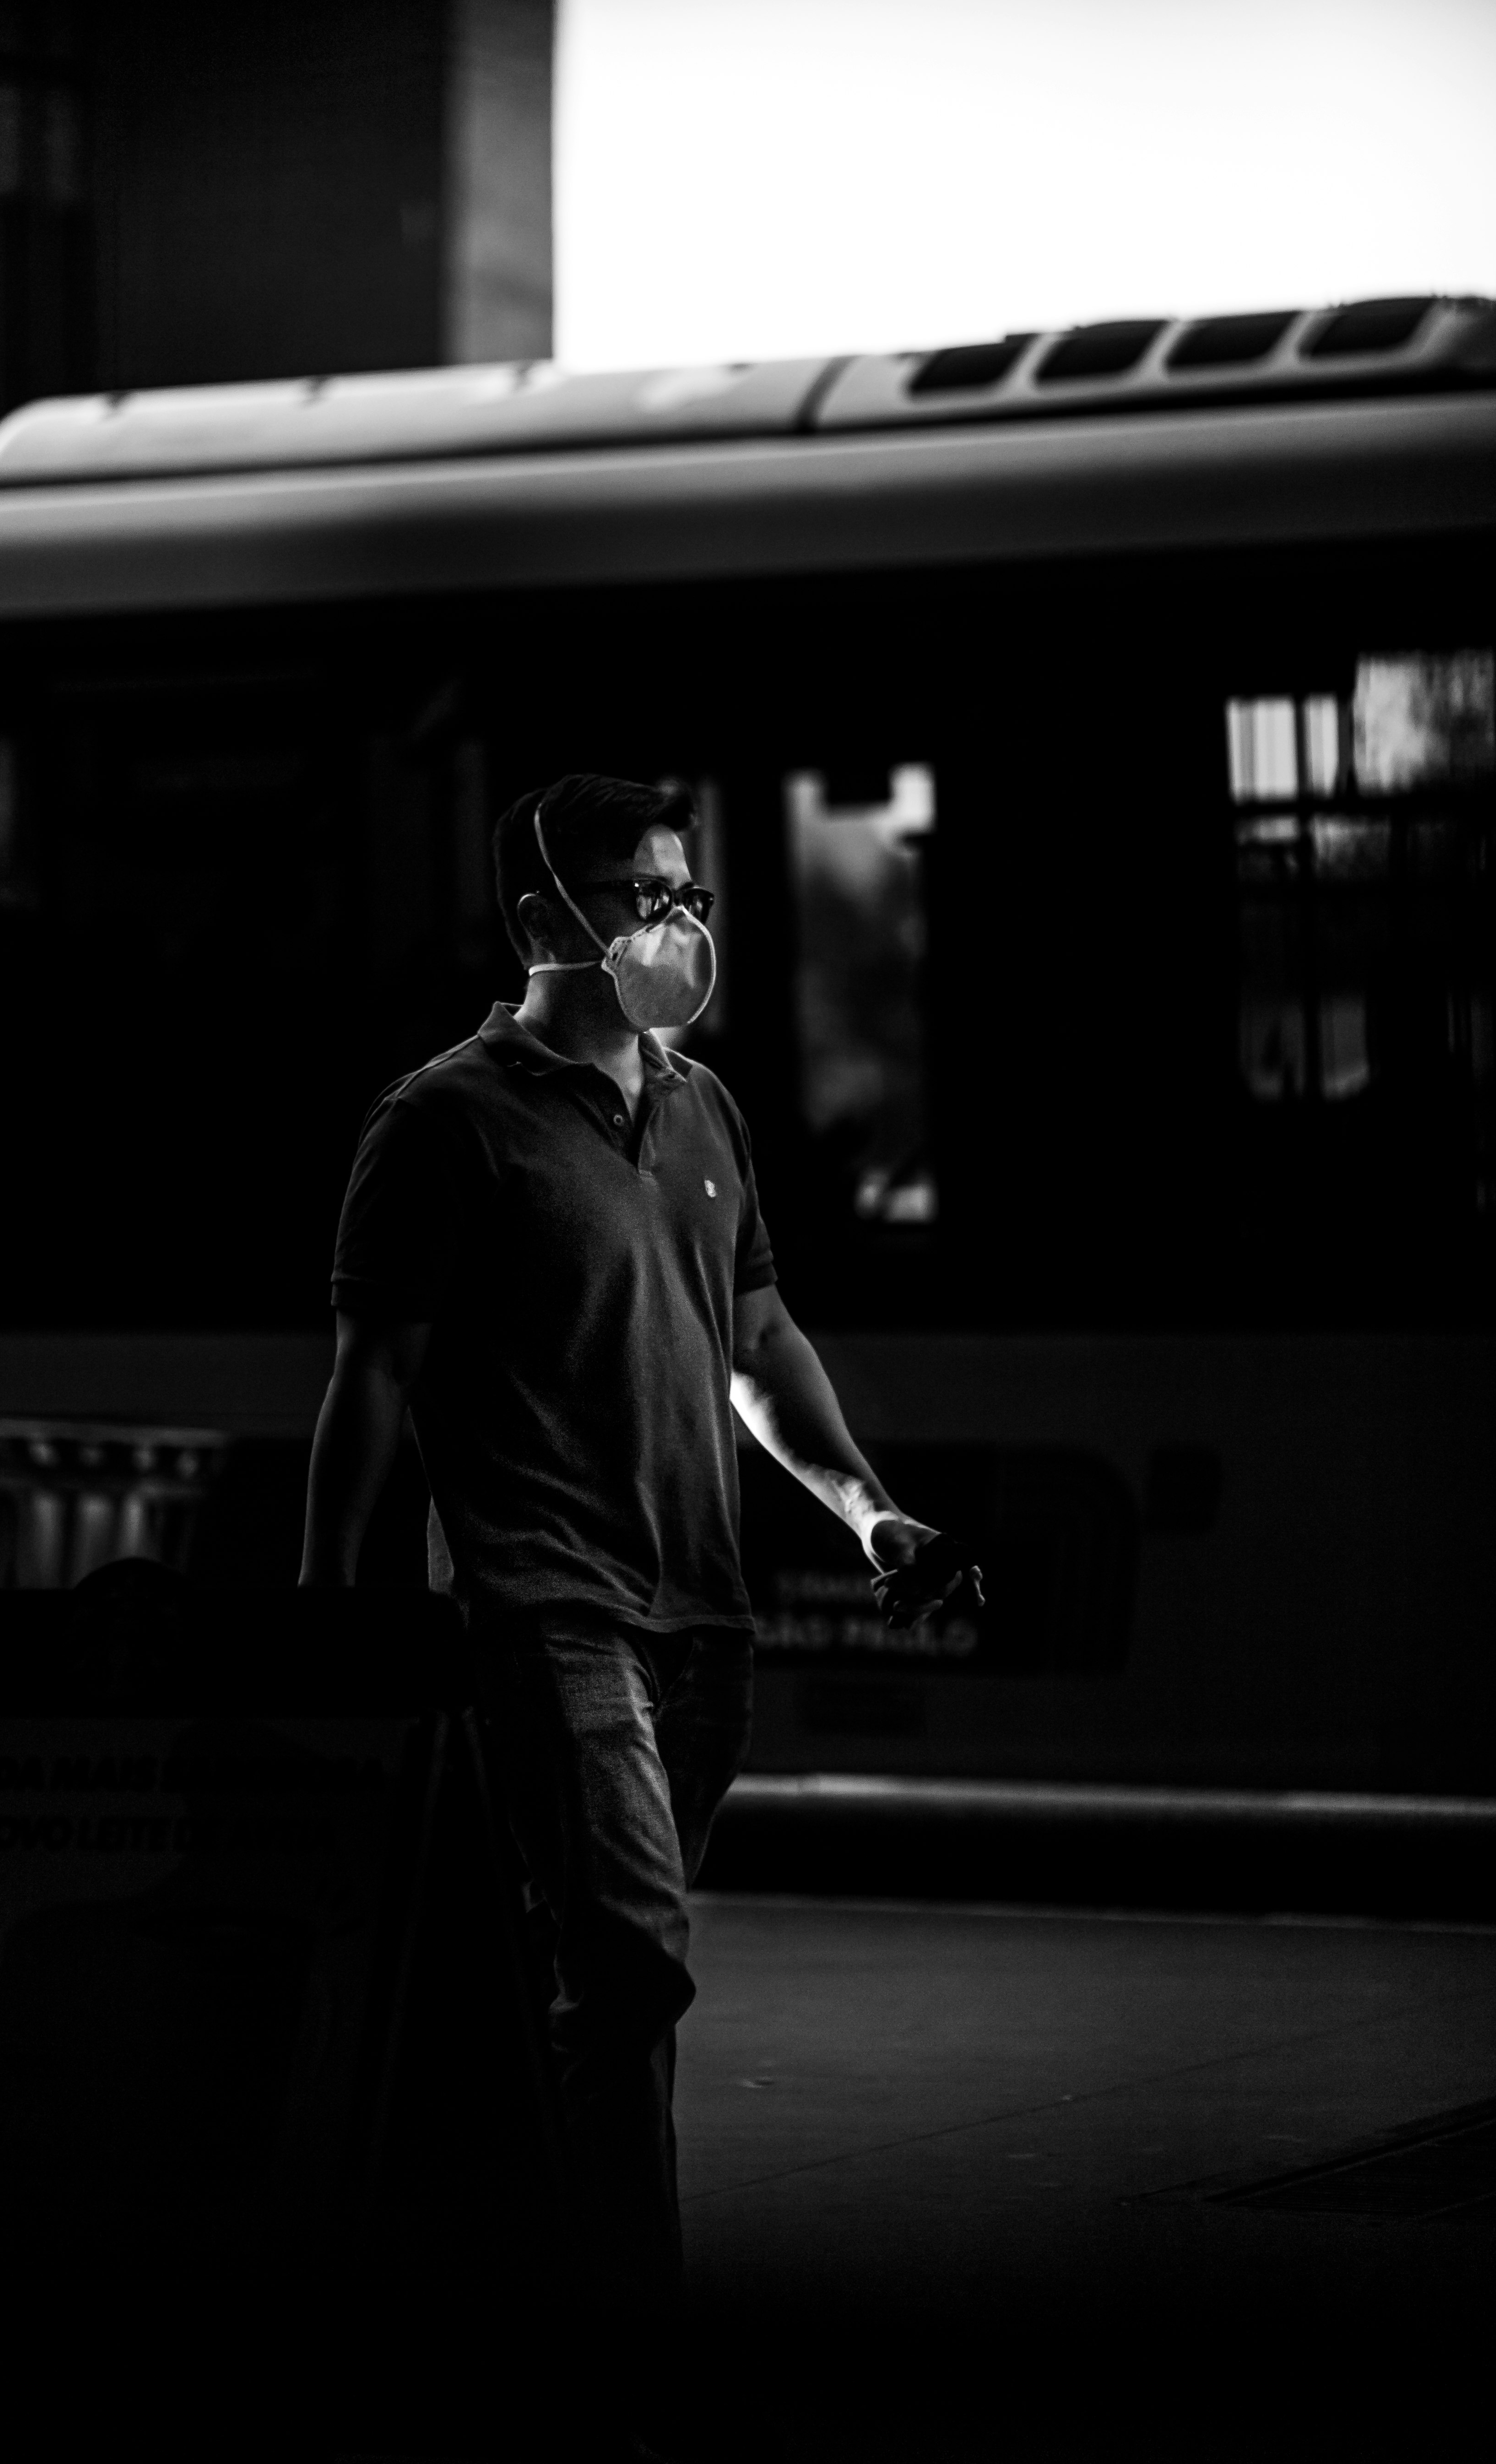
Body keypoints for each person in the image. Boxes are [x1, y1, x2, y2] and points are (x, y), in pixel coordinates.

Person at [301, 771, 979, 2464]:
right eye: (638, 892)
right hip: (548, 1601)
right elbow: (371, 1385)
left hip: (703, 1616)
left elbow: (758, 1341)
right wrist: (325, 1620)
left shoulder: (704, 1110)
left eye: (685, 889)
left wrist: (866, 1508)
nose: (677, 922)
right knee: (629, 1965)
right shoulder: (442, 1122)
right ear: (544, 925)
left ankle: (509, 2282)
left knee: (595, 1990)